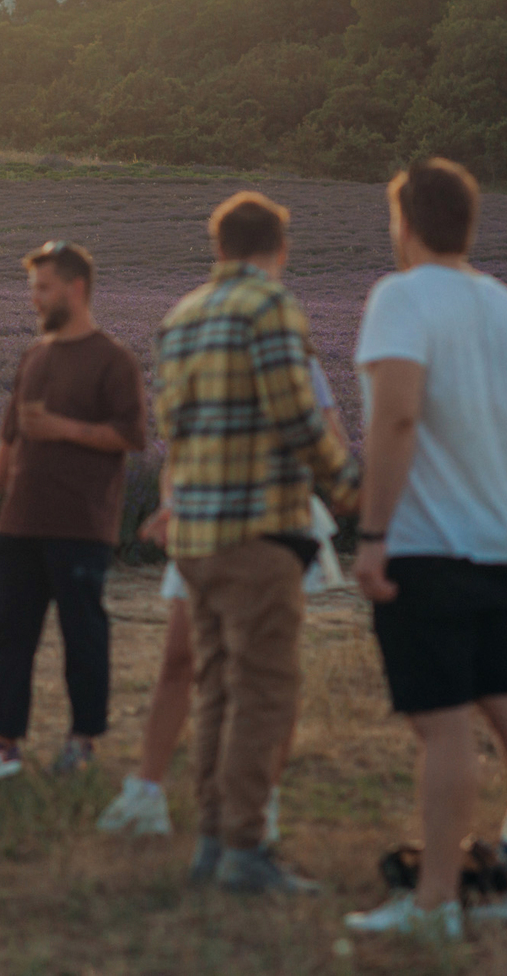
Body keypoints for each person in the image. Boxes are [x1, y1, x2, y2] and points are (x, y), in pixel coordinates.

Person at [343, 159, 507, 940]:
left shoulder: (401, 297)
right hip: (500, 552)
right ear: (471, 223)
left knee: (444, 725)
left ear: (404, 223)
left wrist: (374, 535)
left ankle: (435, 903)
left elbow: (396, 418)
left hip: (425, 546)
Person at [144, 194, 361, 894]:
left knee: (215, 689)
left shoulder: (181, 316)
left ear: (218, 246)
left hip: (196, 534)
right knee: (264, 690)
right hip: (259, 530)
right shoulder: (269, 305)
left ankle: (212, 842)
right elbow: (297, 416)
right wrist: (349, 485)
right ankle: (245, 848)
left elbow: (172, 430)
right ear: (280, 246)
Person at [100, 353, 351, 847]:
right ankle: (147, 794)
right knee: (179, 658)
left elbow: (332, 443)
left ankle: (261, 803)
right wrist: (171, 505)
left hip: (274, 523)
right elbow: (178, 454)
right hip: (202, 517)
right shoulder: (202, 352)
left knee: (269, 672)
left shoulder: (293, 357)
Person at [0, 241, 149, 782]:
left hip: (81, 523)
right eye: (33, 289)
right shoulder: (34, 356)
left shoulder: (113, 359)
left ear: (76, 289)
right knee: (10, 635)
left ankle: (82, 740)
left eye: (43, 289)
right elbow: (9, 437)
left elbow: (131, 435)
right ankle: (3, 741)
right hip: (20, 521)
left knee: (82, 635)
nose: (35, 299)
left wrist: (63, 429)